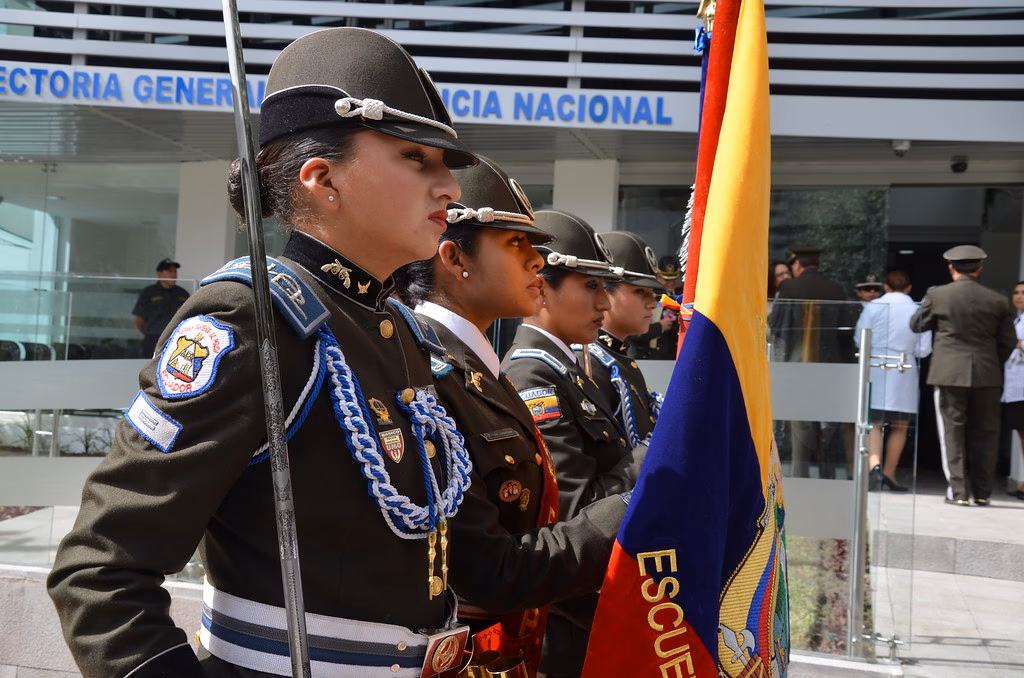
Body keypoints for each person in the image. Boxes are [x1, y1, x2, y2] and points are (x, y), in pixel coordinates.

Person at [46, 29, 625, 678]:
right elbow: (98, 573)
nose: (450, 190)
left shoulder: (399, 334)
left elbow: (479, 566)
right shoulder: (253, 320)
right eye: (417, 159)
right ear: (322, 180)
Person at [397, 157, 628, 676]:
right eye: (515, 244)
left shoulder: (476, 368)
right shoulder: (426, 375)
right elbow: (491, 573)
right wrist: (633, 504)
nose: (536, 264)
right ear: (455, 257)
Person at [501, 211, 647, 678]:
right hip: (568, 625)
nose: (605, 304)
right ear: (543, 287)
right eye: (591, 286)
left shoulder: (570, 372)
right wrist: (655, 454)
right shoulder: (533, 375)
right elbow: (577, 508)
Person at [910, 245, 1016, 507]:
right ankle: (982, 493)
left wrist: (929, 301)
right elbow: (1007, 343)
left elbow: (916, 324)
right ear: (979, 269)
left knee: (951, 433)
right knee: (986, 433)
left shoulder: (939, 296)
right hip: (987, 374)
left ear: (951, 268)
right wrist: (990, 363)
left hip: (949, 373)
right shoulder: (998, 300)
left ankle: (958, 493)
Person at [768, 245, 854, 478]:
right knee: (828, 425)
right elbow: (846, 332)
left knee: (800, 423)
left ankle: (800, 474)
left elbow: (776, 325)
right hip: (830, 366)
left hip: (798, 364)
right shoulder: (836, 289)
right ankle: (828, 475)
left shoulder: (789, 287)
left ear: (797, 265)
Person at [578, 231, 664, 448]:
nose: (652, 303)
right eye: (640, 291)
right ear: (604, 292)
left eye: (652, 293)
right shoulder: (587, 362)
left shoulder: (616, 356)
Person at [855, 270, 932, 491]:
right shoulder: (917, 310)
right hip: (903, 367)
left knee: (874, 422)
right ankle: (889, 471)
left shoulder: (873, 306)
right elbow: (924, 349)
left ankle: (874, 465)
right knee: (900, 424)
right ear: (908, 289)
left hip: (875, 364)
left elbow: (860, 338)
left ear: (886, 286)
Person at [132, 257, 190, 357]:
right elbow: (139, 321)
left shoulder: (182, 293)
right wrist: (150, 334)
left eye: (175, 271)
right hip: (153, 340)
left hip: (177, 340)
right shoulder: (149, 292)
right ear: (159, 273)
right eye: (169, 271)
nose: (173, 274)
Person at [627, 253, 679, 360]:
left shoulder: (682, 296)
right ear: (658, 277)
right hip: (648, 357)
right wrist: (660, 326)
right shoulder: (647, 296)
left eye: (674, 279)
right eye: (666, 279)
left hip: (673, 357)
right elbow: (634, 332)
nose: (670, 283)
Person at [1001, 281, 1024, 501]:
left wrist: (1016, 343)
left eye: (1023, 293)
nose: (1018, 296)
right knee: (1021, 434)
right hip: (1016, 387)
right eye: (1016, 292)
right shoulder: (1016, 319)